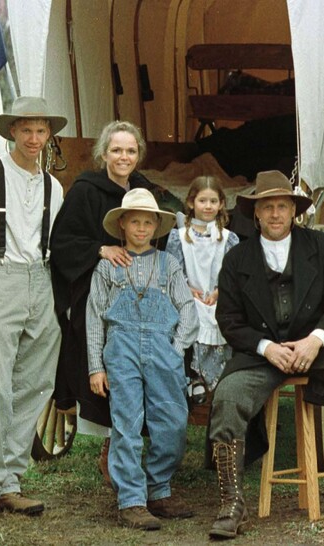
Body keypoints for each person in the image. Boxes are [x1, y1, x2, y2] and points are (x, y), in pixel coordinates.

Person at [207, 170, 324, 539]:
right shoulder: (236, 258)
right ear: (256, 214)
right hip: (262, 353)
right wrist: (267, 348)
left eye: (282, 206)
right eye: (268, 207)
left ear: (293, 211)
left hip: (316, 346)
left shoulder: (319, 246)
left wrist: (316, 340)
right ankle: (231, 504)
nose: (276, 214)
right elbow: (228, 320)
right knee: (227, 399)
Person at [0, 96, 67, 522]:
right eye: (27, 130)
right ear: (12, 133)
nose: (35, 139)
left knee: (35, 382)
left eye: (41, 131)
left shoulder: (53, 187)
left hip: (41, 281)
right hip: (0, 278)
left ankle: (10, 482)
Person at [49, 120, 157, 483]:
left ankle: (138, 437)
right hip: (94, 288)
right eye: (117, 150)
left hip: (140, 289)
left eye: (130, 150)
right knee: (107, 338)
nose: (123, 157)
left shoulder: (143, 189)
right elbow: (62, 243)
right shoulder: (85, 191)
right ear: (103, 154)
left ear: (138, 154)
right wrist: (100, 249)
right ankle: (111, 446)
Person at [86, 188, 199, 530]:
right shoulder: (108, 266)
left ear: (156, 226)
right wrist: (96, 366)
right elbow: (94, 317)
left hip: (163, 351)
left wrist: (176, 348)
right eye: (134, 221)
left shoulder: (169, 264)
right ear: (122, 224)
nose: (141, 228)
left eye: (147, 222)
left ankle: (158, 488)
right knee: (127, 423)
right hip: (121, 349)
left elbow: (188, 310)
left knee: (173, 422)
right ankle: (132, 500)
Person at [166, 176, 240, 392]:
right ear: (191, 203)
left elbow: (232, 275)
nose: (208, 206)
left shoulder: (229, 238)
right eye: (202, 201)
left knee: (221, 315)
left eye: (213, 201)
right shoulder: (178, 237)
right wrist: (187, 290)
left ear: (221, 204)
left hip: (218, 297)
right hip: (188, 296)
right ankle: (193, 376)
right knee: (191, 313)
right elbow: (173, 273)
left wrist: (219, 291)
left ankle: (220, 378)